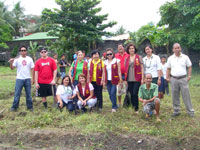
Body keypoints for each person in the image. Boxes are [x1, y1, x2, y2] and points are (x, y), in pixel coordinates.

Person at [166, 43, 194, 117]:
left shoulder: (185, 57)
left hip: (183, 79)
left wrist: (189, 76)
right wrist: (167, 77)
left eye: (178, 47)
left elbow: (189, 66)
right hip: (174, 79)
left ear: (180, 48)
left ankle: (190, 111)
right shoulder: (170, 58)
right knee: (175, 96)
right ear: (173, 49)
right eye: (175, 48)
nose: (177, 49)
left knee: (186, 95)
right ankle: (176, 111)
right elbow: (168, 68)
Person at [9, 46, 34, 111]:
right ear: (20, 52)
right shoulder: (17, 59)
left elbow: (32, 69)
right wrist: (11, 62)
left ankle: (30, 107)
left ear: (26, 51)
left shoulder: (29, 59)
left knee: (28, 94)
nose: (23, 52)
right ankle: (14, 107)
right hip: (19, 79)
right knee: (17, 93)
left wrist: (33, 79)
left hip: (27, 79)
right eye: (22, 50)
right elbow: (12, 68)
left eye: (24, 50)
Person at [124, 43, 144, 113]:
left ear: (135, 49)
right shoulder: (127, 58)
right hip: (129, 78)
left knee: (135, 93)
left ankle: (136, 108)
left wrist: (142, 78)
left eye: (132, 48)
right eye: (130, 48)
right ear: (128, 50)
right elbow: (126, 69)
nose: (131, 50)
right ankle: (133, 106)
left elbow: (142, 68)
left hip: (137, 78)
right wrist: (125, 79)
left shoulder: (139, 57)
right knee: (131, 93)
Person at [104, 48, 122, 112]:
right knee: (110, 94)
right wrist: (103, 80)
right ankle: (115, 104)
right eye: (108, 54)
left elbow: (119, 71)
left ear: (113, 54)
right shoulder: (105, 62)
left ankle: (114, 107)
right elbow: (104, 72)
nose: (109, 55)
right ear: (106, 55)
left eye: (110, 54)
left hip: (115, 79)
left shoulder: (117, 61)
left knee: (113, 93)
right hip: (108, 80)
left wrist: (120, 79)